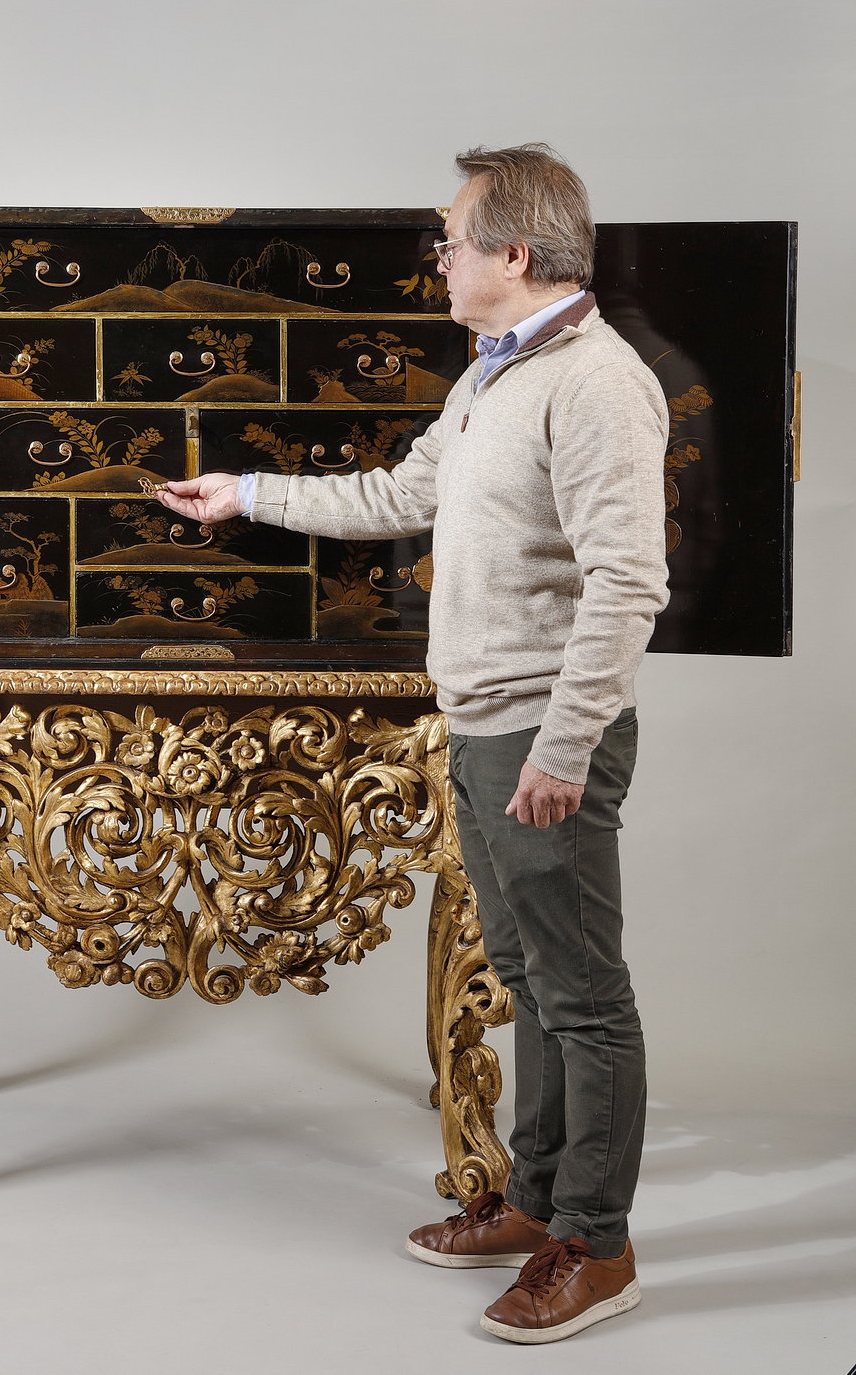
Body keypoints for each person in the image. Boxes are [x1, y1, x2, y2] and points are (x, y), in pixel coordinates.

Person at [154, 143, 669, 1345]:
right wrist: (245, 492)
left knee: (583, 995)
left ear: (512, 254)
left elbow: (625, 584)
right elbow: (398, 494)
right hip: (484, 724)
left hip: (543, 732)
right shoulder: (493, 375)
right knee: (530, 978)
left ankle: (597, 1245)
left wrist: (563, 746)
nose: (436, 259)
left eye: (449, 240)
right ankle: (537, 1201)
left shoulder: (597, 382)